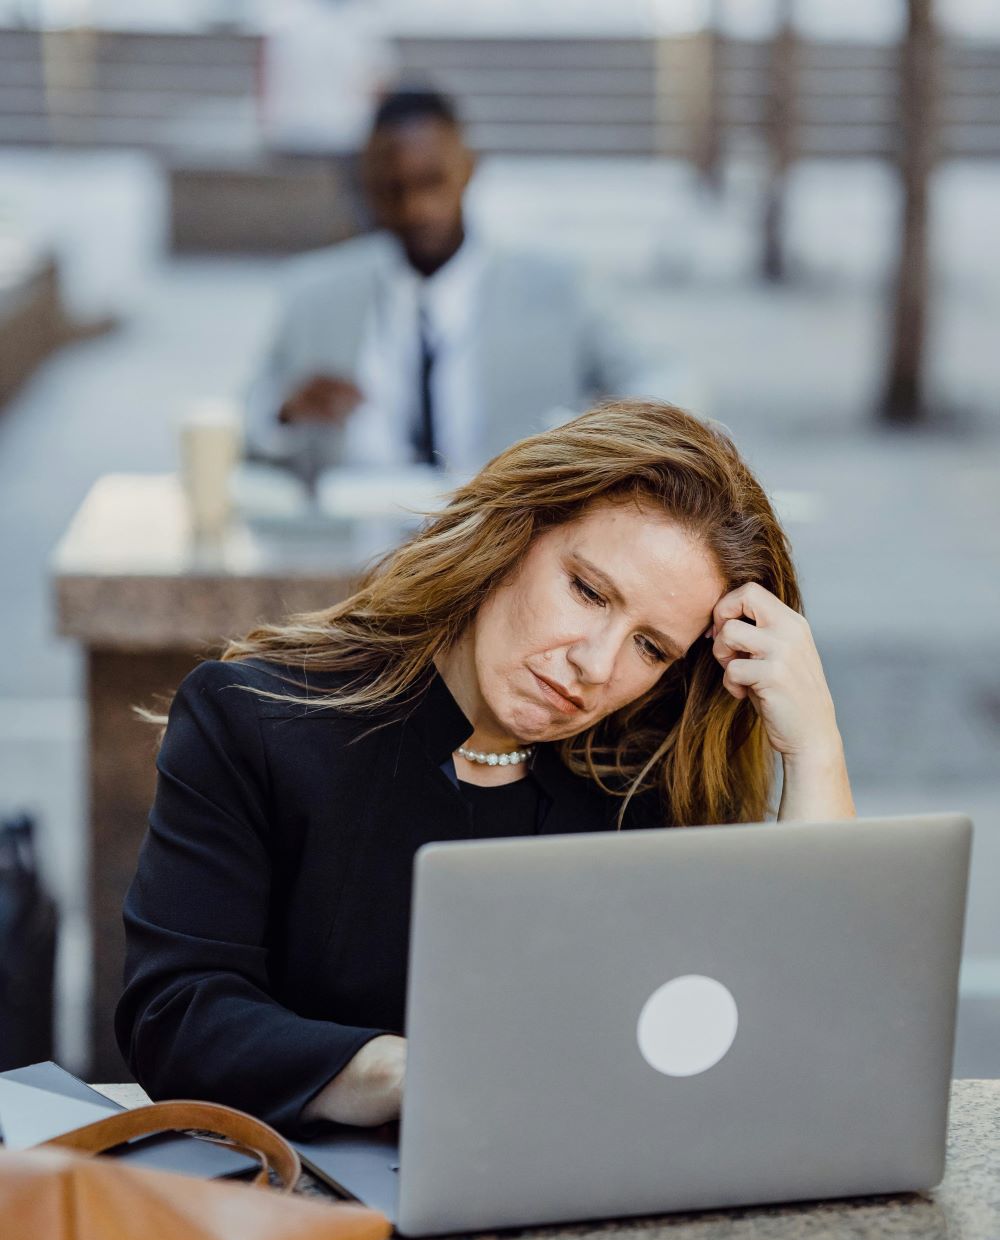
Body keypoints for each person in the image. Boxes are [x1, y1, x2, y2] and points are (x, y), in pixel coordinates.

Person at [117, 401, 854, 1137]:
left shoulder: (646, 787)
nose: (594, 665)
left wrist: (815, 748)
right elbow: (177, 1014)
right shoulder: (256, 721)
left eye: (651, 648)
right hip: (318, 1210)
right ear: (512, 537)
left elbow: (799, 1042)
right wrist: (403, 1073)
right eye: (589, 591)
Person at [243, 88, 697, 482]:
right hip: (357, 540)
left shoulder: (559, 289)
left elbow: (666, 386)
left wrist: (597, 437)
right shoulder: (315, 293)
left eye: (431, 181)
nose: (416, 207)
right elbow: (244, 424)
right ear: (368, 187)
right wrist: (285, 414)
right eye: (392, 188)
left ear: (469, 168)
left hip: (504, 540)